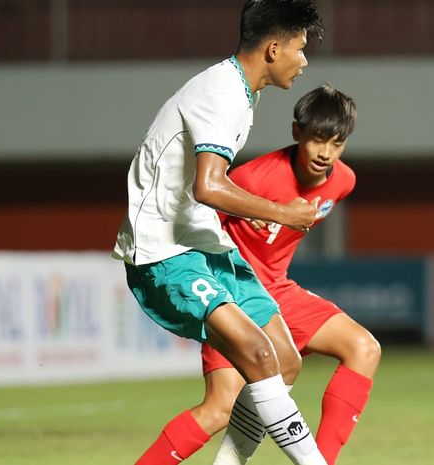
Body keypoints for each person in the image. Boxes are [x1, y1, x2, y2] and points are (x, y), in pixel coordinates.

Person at [111, 1, 328, 464]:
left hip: (203, 244)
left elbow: (208, 186)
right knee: (257, 354)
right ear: (274, 49)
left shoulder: (239, 91)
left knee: (284, 360)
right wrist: (281, 212)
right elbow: (207, 185)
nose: (305, 60)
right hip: (164, 251)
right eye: (300, 48)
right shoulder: (222, 94)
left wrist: (251, 211)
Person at [196, 84, 381, 465]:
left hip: (280, 293)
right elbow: (198, 228)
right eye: (316, 139)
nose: (325, 152)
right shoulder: (250, 179)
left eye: (336, 142)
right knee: (219, 409)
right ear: (297, 132)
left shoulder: (343, 181)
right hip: (235, 297)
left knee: (364, 348)